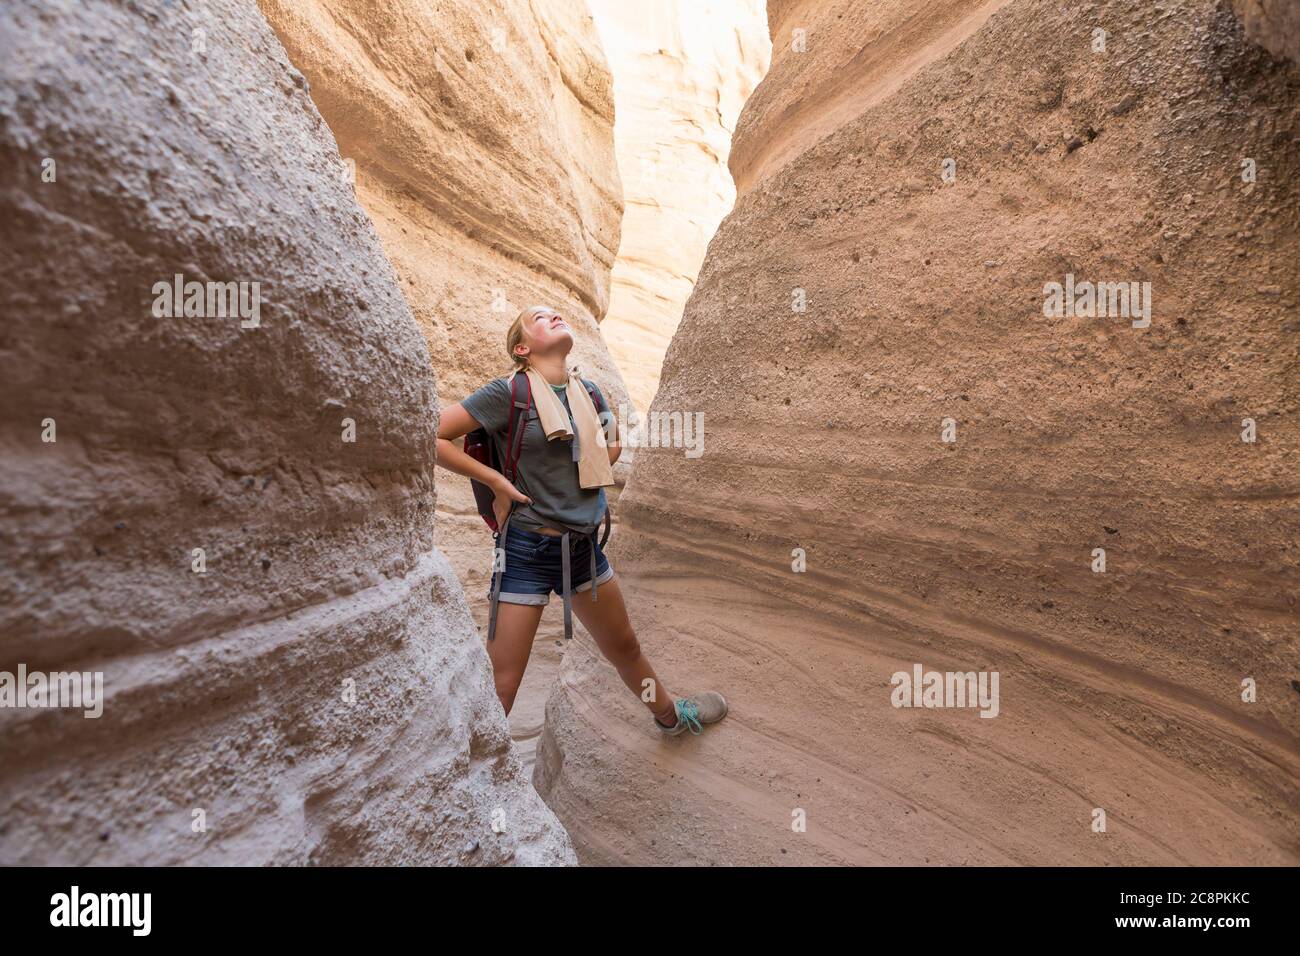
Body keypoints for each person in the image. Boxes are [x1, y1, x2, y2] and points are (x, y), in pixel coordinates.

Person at [435, 304, 727, 735]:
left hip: (583, 547)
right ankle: (464, 776)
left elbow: (611, 445)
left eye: (555, 313)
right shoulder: (506, 393)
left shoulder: (589, 393)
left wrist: (582, 465)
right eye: (539, 318)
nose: (553, 316)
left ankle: (670, 718)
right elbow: (436, 435)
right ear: (522, 347)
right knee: (504, 685)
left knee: (625, 646)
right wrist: (496, 480)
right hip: (524, 551)